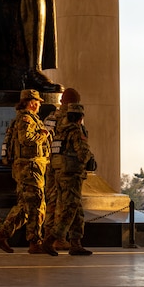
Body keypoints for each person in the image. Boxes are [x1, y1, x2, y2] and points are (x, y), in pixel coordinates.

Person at [0, 88, 53, 255]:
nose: (39, 105)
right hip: (29, 168)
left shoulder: (30, 119)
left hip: (32, 167)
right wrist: (43, 134)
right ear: (32, 102)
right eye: (38, 102)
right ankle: (34, 242)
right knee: (35, 205)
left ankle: (2, 235)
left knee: (26, 206)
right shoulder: (26, 119)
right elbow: (27, 140)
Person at [42, 102, 95, 257]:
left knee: (77, 210)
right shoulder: (77, 131)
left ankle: (76, 243)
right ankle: (50, 239)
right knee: (69, 210)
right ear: (80, 117)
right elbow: (83, 153)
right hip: (72, 175)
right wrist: (89, 159)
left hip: (60, 173)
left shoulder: (60, 131)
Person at [42, 87, 82, 251]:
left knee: (52, 201)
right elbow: (79, 143)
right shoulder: (74, 117)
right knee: (70, 204)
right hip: (69, 167)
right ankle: (65, 239)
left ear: (60, 101)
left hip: (52, 165)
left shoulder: (51, 117)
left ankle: (48, 236)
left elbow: (44, 140)